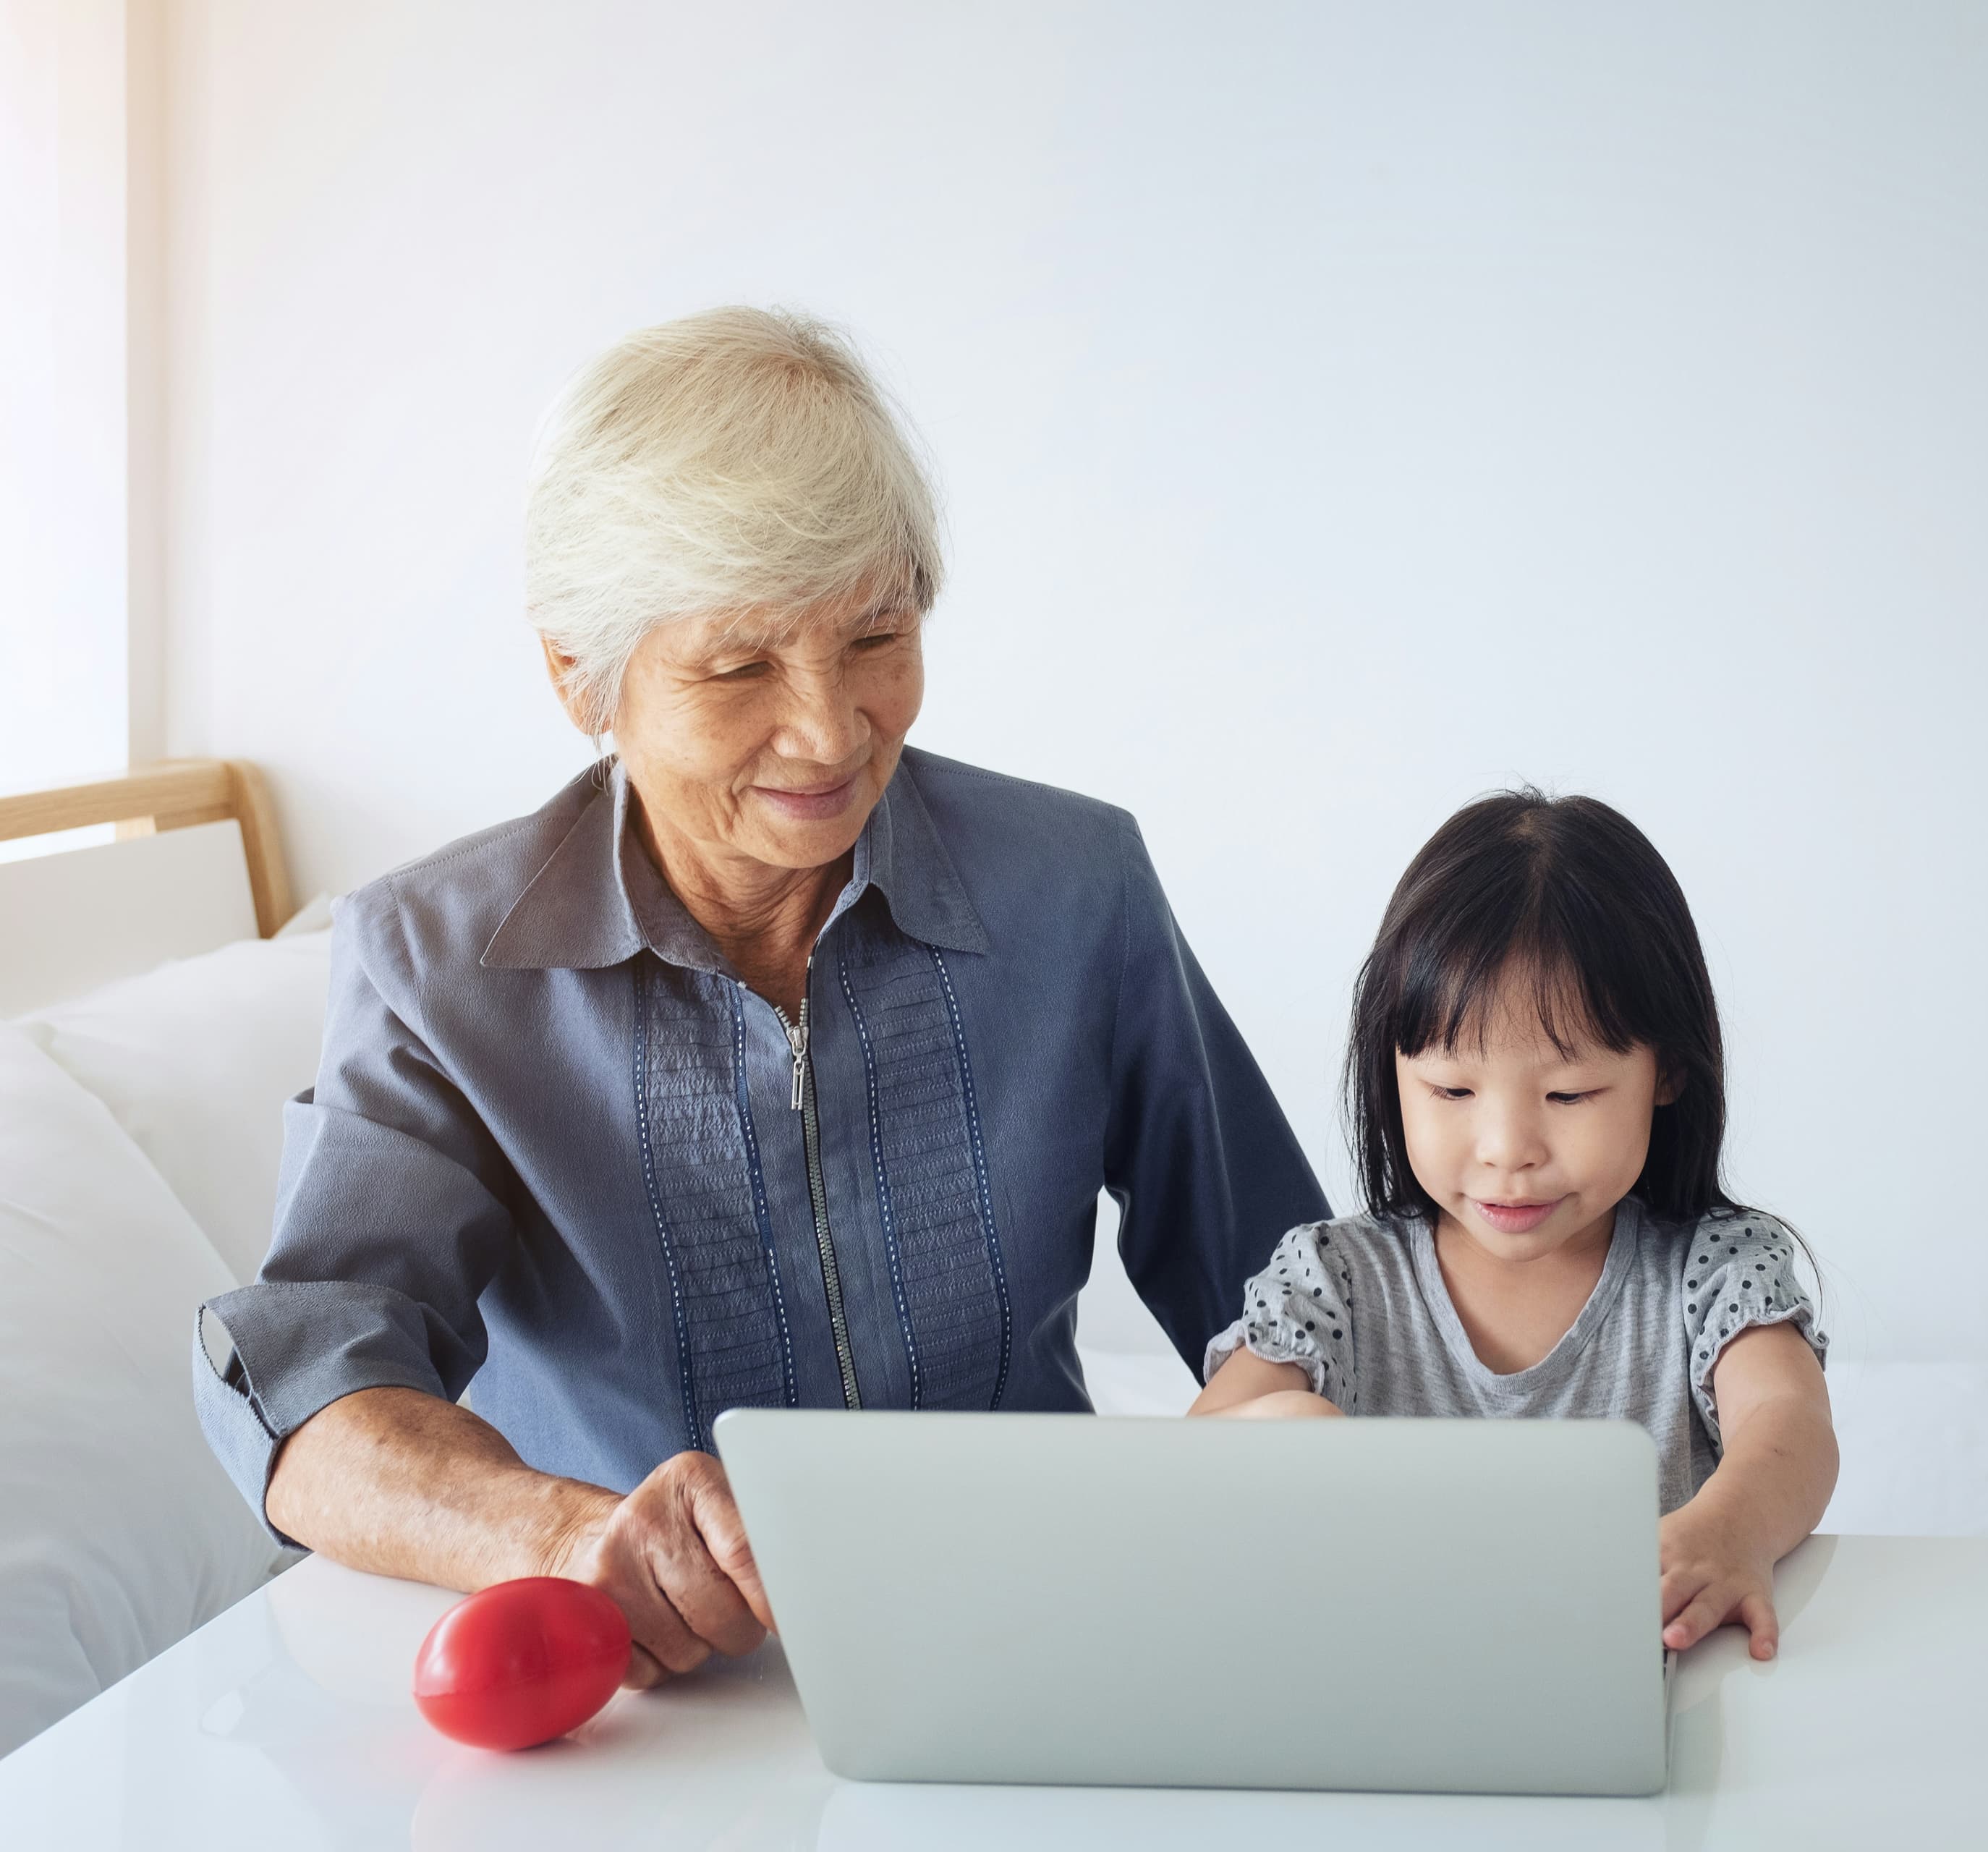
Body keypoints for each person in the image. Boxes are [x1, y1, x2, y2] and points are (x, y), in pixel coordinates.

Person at [193, 307, 1328, 1689]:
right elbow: (313, 1390)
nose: (831, 729)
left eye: (877, 636)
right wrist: (566, 1535)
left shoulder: (1078, 886)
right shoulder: (433, 961)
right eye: (739, 666)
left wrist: (1242, 1463)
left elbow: (1295, 1285)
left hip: (1027, 1648)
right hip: (639, 1696)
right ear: (578, 672)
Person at [1191, 791, 1837, 1660]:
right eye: (1452, 1090)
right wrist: (1275, 1430)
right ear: (1393, 1073)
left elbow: (1790, 1424)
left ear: (1668, 1073)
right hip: (1374, 1678)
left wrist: (1730, 1530)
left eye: (1568, 1094)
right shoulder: (1332, 1281)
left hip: (1632, 1682)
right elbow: (1189, 1468)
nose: (1507, 1150)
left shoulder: (1715, 1269)